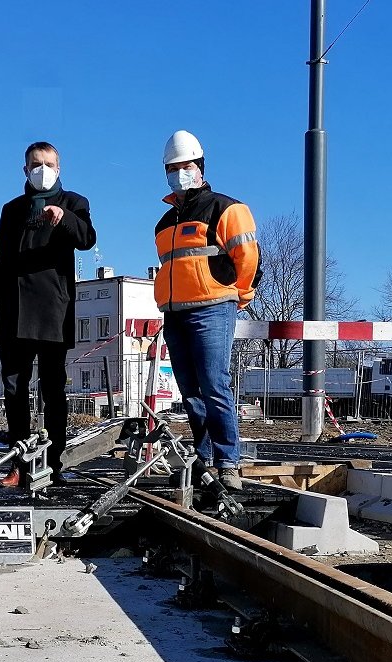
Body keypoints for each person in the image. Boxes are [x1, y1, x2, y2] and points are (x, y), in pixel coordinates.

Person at [152, 130, 260, 491]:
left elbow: (248, 258)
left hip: (212, 308)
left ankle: (228, 462)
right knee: (191, 392)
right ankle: (204, 460)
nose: (179, 173)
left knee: (215, 386)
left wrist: (238, 295)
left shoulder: (226, 208)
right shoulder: (164, 224)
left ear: (200, 167)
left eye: (186, 166)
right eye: (173, 167)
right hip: (176, 313)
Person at [0, 141, 96, 488]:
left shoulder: (74, 203)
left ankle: (54, 463)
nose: (42, 169)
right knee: (14, 391)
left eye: (49, 163)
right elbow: (0, 264)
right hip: (16, 314)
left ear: (59, 168)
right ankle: (18, 464)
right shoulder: (11, 209)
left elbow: (87, 239)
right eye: (36, 164)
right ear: (25, 169)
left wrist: (63, 219)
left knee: (53, 390)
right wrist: (2, 310)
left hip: (53, 311)